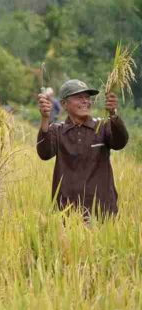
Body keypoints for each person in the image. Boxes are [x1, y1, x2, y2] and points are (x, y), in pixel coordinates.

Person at [36, 79, 128, 220]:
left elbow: (120, 142)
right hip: (67, 212)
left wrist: (113, 114)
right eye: (79, 97)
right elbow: (44, 153)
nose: (85, 101)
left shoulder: (102, 126)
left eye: (87, 97)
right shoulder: (57, 130)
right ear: (64, 104)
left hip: (102, 212)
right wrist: (44, 119)